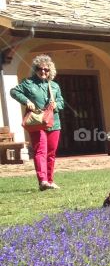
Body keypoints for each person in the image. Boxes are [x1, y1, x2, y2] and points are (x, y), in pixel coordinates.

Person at [11, 55, 65, 191]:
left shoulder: (54, 86)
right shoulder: (28, 83)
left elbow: (61, 102)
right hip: (36, 122)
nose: (43, 72)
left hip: (53, 122)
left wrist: (55, 105)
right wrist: (27, 101)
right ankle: (43, 181)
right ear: (35, 69)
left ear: (50, 71)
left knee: (51, 153)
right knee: (41, 150)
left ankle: (50, 180)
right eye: (40, 69)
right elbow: (14, 91)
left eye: (46, 69)